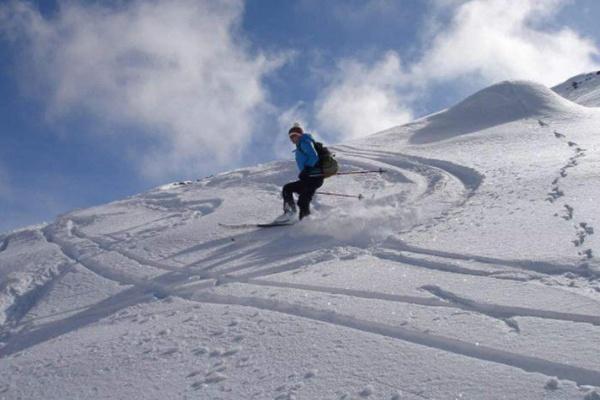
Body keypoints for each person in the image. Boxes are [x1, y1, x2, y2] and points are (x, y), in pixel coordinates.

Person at [275, 123, 324, 223]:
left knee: (302, 199)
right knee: (289, 190)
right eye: (291, 137)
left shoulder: (305, 143)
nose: (293, 138)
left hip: (314, 177)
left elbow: (314, 157)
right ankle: (294, 215)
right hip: (310, 178)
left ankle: (303, 221)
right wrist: (305, 173)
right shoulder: (301, 146)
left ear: (300, 135)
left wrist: (306, 170)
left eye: (294, 135)